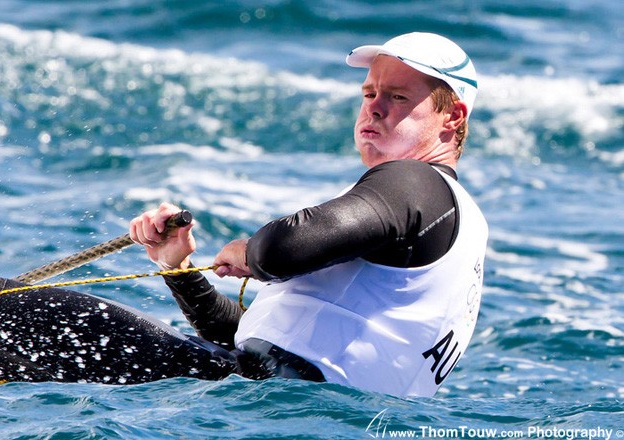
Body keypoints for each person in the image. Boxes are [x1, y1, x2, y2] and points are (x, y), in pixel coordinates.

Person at [129, 32, 488, 397]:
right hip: (307, 406)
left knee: (67, 316)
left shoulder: (415, 183)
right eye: (368, 94)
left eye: (397, 97)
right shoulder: (458, 228)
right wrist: (178, 269)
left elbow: (281, 251)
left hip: (280, 398)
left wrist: (247, 251)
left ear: (452, 117)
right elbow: (258, 338)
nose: (374, 108)